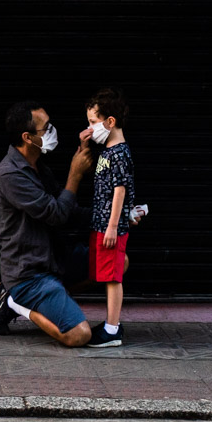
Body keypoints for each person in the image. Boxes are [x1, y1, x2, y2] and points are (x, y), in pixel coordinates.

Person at [0, 101, 101, 347]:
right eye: (46, 128)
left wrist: (114, 218)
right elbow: (56, 214)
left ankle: (53, 298)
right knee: (79, 335)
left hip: (56, 261)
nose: (52, 131)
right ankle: (13, 302)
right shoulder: (10, 176)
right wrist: (75, 173)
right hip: (30, 274)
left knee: (114, 261)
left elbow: (69, 210)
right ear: (27, 137)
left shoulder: (38, 168)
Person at [84, 87, 142, 348]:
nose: (90, 128)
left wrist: (112, 227)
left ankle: (112, 329)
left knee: (113, 277)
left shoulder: (119, 153)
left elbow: (120, 190)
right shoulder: (107, 150)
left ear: (110, 122)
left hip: (111, 228)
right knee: (106, 274)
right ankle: (110, 325)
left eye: (93, 122)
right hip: (103, 224)